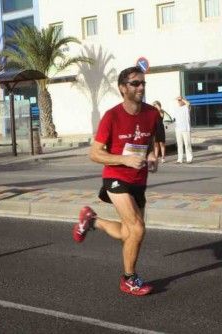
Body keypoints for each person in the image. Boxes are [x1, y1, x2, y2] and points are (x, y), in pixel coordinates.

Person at [72, 66, 160, 296]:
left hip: (139, 179)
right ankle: (128, 279)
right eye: (135, 83)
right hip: (116, 176)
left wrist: (151, 156)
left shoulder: (152, 114)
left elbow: (151, 142)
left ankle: (93, 220)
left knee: (127, 233)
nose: (141, 87)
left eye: (143, 83)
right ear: (123, 88)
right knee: (138, 229)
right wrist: (124, 160)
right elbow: (94, 153)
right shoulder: (112, 116)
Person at [173, 96, 193, 164]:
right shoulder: (176, 108)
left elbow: (188, 104)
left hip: (186, 129)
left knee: (187, 144)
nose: (179, 102)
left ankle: (189, 158)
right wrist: (177, 99)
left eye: (180, 100)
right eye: (178, 101)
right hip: (178, 129)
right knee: (179, 145)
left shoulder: (186, 108)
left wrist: (182, 99)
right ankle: (180, 159)